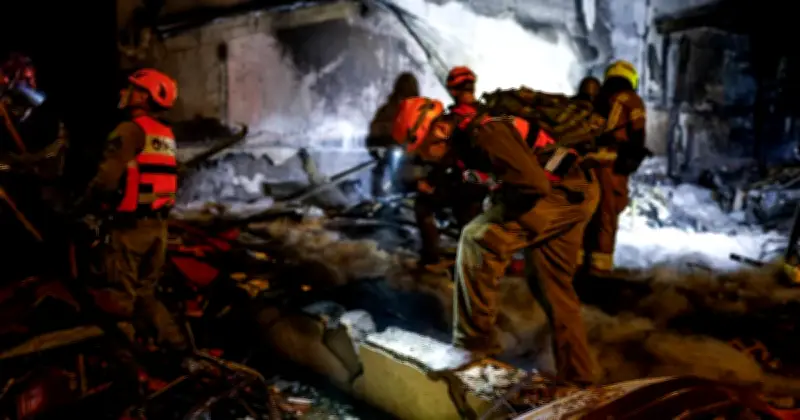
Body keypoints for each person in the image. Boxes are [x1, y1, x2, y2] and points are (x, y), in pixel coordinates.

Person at [393, 96, 600, 385]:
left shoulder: (486, 133)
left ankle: (472, 350)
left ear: (439, 130)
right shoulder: (465, 143)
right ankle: (578, 377)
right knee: (551, 287)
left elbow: (533, 185)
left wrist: (500, 203)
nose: (424, 157)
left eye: (423, 148)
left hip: (561, 192)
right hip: (579, 189)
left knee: (477, 239)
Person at [76, 68, 188, 358]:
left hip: (129, 230)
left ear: (143, 97)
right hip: (158, 231)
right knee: (146, 295)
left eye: (132, 88)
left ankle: (129, 370)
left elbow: (106, 180)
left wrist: (83, 207)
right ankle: (179, 353)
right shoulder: (164, 135)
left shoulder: (129, 130)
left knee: (117, 304)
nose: (124, 93)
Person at [414, 66, 487, 272]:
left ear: (453, 90)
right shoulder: (486, 113)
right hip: (485, 182)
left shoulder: (454, 119)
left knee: (423, 205)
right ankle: (476, 264)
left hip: (463, 184)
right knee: (470, 223)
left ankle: (432, 259)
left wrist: (430, 182)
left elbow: (447, 156)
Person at [580, 60, 647, 276]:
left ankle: (578, 261)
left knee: (587, 211)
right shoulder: (632, 100)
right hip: (612, 164)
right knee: (607, 214)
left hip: (589, 162)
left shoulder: (599, 99)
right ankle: (600, 268)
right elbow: (637, 131)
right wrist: (633, 156)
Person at [367, 72, 419, 198]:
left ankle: (406, 187)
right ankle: (379, 189)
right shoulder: (388, 109)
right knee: (383, 162)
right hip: (388, 145)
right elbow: (376, 128)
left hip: (406, 149)